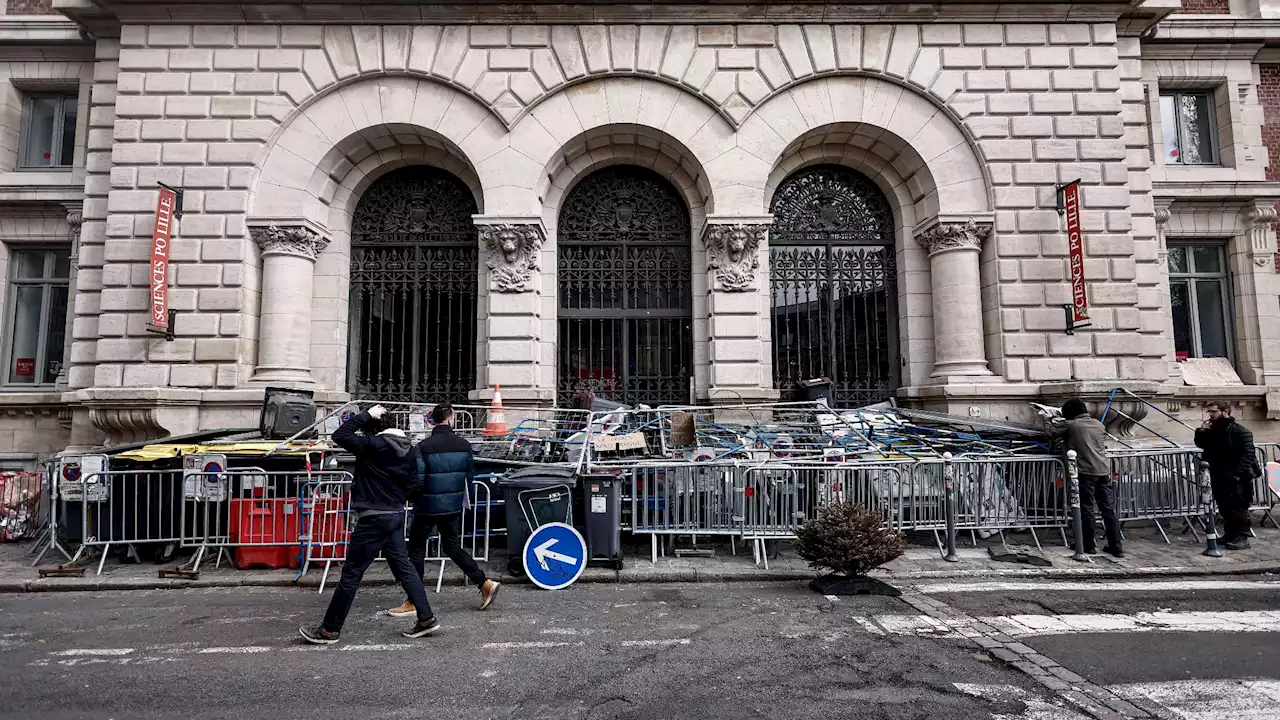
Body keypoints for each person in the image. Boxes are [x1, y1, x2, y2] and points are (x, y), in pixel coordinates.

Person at [299, 405, 440, 644]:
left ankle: (329, 630)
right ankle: (426, 618)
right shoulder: (411, 450)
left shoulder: (373, 445)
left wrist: (364, 416)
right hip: (395, 513)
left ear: (373, 428)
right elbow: (416, 483)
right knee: (405, 568)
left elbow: (340, 435)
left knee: (352, 574)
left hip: (373, 516)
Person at [387, 403, 501, 617]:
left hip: (426, 507)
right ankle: (483, 583)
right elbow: (469, 477)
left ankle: (413, 599)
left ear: (433, 420)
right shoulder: (464, 445)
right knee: (452, 547)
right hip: (452, 506)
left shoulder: (423, 447)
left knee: (417, 550)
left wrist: (411, 496)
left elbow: (417, 480)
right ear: (451, 419)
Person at [1054, 399, 1123, 558]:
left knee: (1086, 509)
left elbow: (1050, 433)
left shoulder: (1072, 426)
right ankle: (1116, 546)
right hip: (1103, 471)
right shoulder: (1099, 425)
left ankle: (1087, 544)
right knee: (1108, 510)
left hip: (1085, 472)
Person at [1194, 401, 1259, 550]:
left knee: (1238, 507)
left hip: (1237, 477)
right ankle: (1230, 534)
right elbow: (1202, 444)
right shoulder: (1213, 430)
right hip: (1218, 473)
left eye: (1214, 411)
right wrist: (1201, 431)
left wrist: (1235, 474)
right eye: (1209, 412)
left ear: (1225, 412)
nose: (1210, 414)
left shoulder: (1239, 431)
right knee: (1225, 507)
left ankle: (1241, 537)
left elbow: (1248, 454)